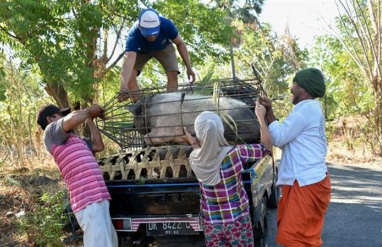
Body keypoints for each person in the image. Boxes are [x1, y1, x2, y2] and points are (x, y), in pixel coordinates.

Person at [259, 68, 332, 247]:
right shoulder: (310, 108)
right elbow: (285, 140)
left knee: (297, 239)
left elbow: (279, 137)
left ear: (304, 88)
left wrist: (261, 117)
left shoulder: (305, 110)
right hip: (307, 181)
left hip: (306, 183)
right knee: (303, 238)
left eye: (295, 83)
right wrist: (270, 112)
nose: (291, 88)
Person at [182, 104, 272, 247]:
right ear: (221, 130)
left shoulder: (195, 158)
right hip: (237, 221)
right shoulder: (236, 153)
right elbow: (266, 148)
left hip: (212, 224)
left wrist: (191, 140)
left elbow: (200, 151)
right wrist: (260, 117)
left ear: (199, 134)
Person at [36, 104, 118, 247]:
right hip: (88, 200)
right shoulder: (51, 132)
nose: (64, 117)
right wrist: (87, 112)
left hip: (98, 198)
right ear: (50, 119)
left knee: (108, 242)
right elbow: (73, 118)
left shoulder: (76, 140)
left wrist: (90, 119)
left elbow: (98, 145)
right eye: (60, 115)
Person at [119, 8, 196, 102]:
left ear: (159, 24)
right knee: (130, 76)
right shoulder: (133, 35)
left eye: (154, 33)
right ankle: (140, 109)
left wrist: (189, 68)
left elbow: (180, 43)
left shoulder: (167, 25)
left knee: (173, 72)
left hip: (163, 47)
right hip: (141, 50)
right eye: (148, 34)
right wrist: (123, 87)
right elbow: (128, 61)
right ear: (140, 27)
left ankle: (171, 104)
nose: (151, 36)